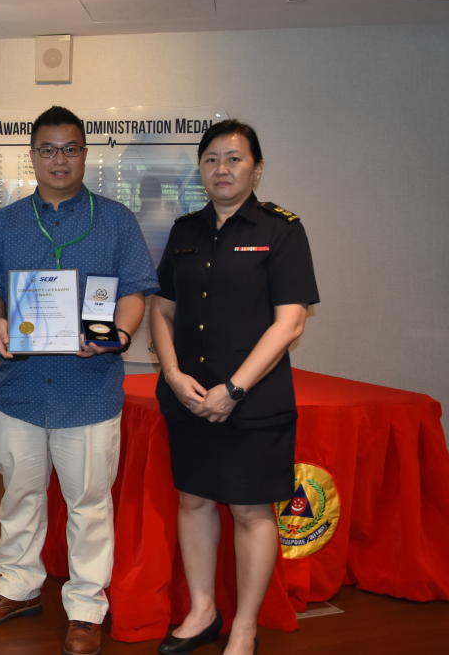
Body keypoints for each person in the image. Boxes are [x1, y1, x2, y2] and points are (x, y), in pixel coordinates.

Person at [0, 106, 157, 655]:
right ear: (32, 156)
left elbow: (136, 292)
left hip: (89, 389)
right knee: (19, 494)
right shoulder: (6, 223)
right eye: (47, 149)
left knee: (89, 502)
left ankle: (86, 606)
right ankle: (19, 587)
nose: (59, 159)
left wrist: (117, 334)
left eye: (69, 148)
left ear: (85, 154)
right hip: (20, 391)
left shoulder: (117, 220)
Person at [149, 120, 317, 655]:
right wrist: (173, 376)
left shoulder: (282, 230)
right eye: (211, 160)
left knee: (251, 512)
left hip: (253, 403)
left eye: (234, 159)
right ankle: (203, 612)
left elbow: (290, 322)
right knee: (193, 502)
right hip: (188, 396)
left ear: (257, 168)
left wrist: (234, 390)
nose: (222, 169)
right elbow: (163, 309)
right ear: (200, 170)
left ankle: (244, 627)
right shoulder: (184, 231)